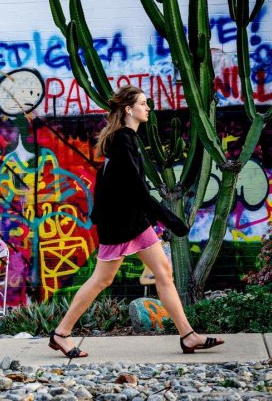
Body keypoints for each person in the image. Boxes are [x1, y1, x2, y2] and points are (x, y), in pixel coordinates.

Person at [48, 85, 224, 358]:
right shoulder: (122, 140)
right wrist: (170, 219)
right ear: (129, 109)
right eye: (143, 103)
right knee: (101, 280)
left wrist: (158, 219)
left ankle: (188, 336)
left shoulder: (127, 139)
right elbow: (136, 189)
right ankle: (61, 333)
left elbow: (123, 186)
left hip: (135, 222)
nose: (148, 108)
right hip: (119, 226)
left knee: (164, 272)